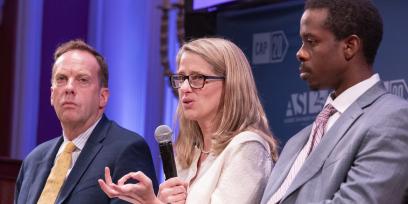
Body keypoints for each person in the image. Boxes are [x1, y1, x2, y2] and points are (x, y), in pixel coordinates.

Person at [98, 37, 279, 204]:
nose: (184, 88)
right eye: (182, 78)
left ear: (231, 84)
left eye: (198, 78)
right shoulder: (187, 154)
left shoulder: (247, 147)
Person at [261, 0, 408, 203]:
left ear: (349, 46)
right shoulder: (297, 142)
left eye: (311, 41)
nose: (300, 53)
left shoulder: (393, 119)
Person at [14, 39, 158, 204]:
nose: (69, 88)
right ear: (52, 95)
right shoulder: (33, 160)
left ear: (102, 97)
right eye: (61, 79)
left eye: (82, 80)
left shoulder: (127, 149)